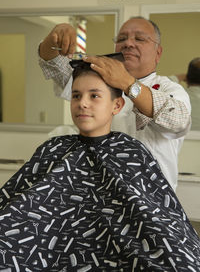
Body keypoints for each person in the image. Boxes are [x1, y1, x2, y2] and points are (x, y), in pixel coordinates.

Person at [0, 65, 199, 271]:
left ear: (117, 105)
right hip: (52, 242)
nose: (82, 103)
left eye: (94, 96)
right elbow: (19, 201)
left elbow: (157, 214)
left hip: (114, 247)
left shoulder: (131, 152)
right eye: (76, 96)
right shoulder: (54, 147)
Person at [38, 17, 191, 192]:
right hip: (103, 197)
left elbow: (178, 120)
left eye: (139, 39)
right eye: (121, 39)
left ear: (158, 53)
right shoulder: (97, 82)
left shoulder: (170, 89)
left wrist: (128, 84)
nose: (128, 44)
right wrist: (55, 38)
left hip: (151, 202)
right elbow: (54, 65)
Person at [169, 57, 200, 131]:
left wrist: (178, 77)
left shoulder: (176, 96)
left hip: (182, 141)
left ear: (187, 79)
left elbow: (157, 86)